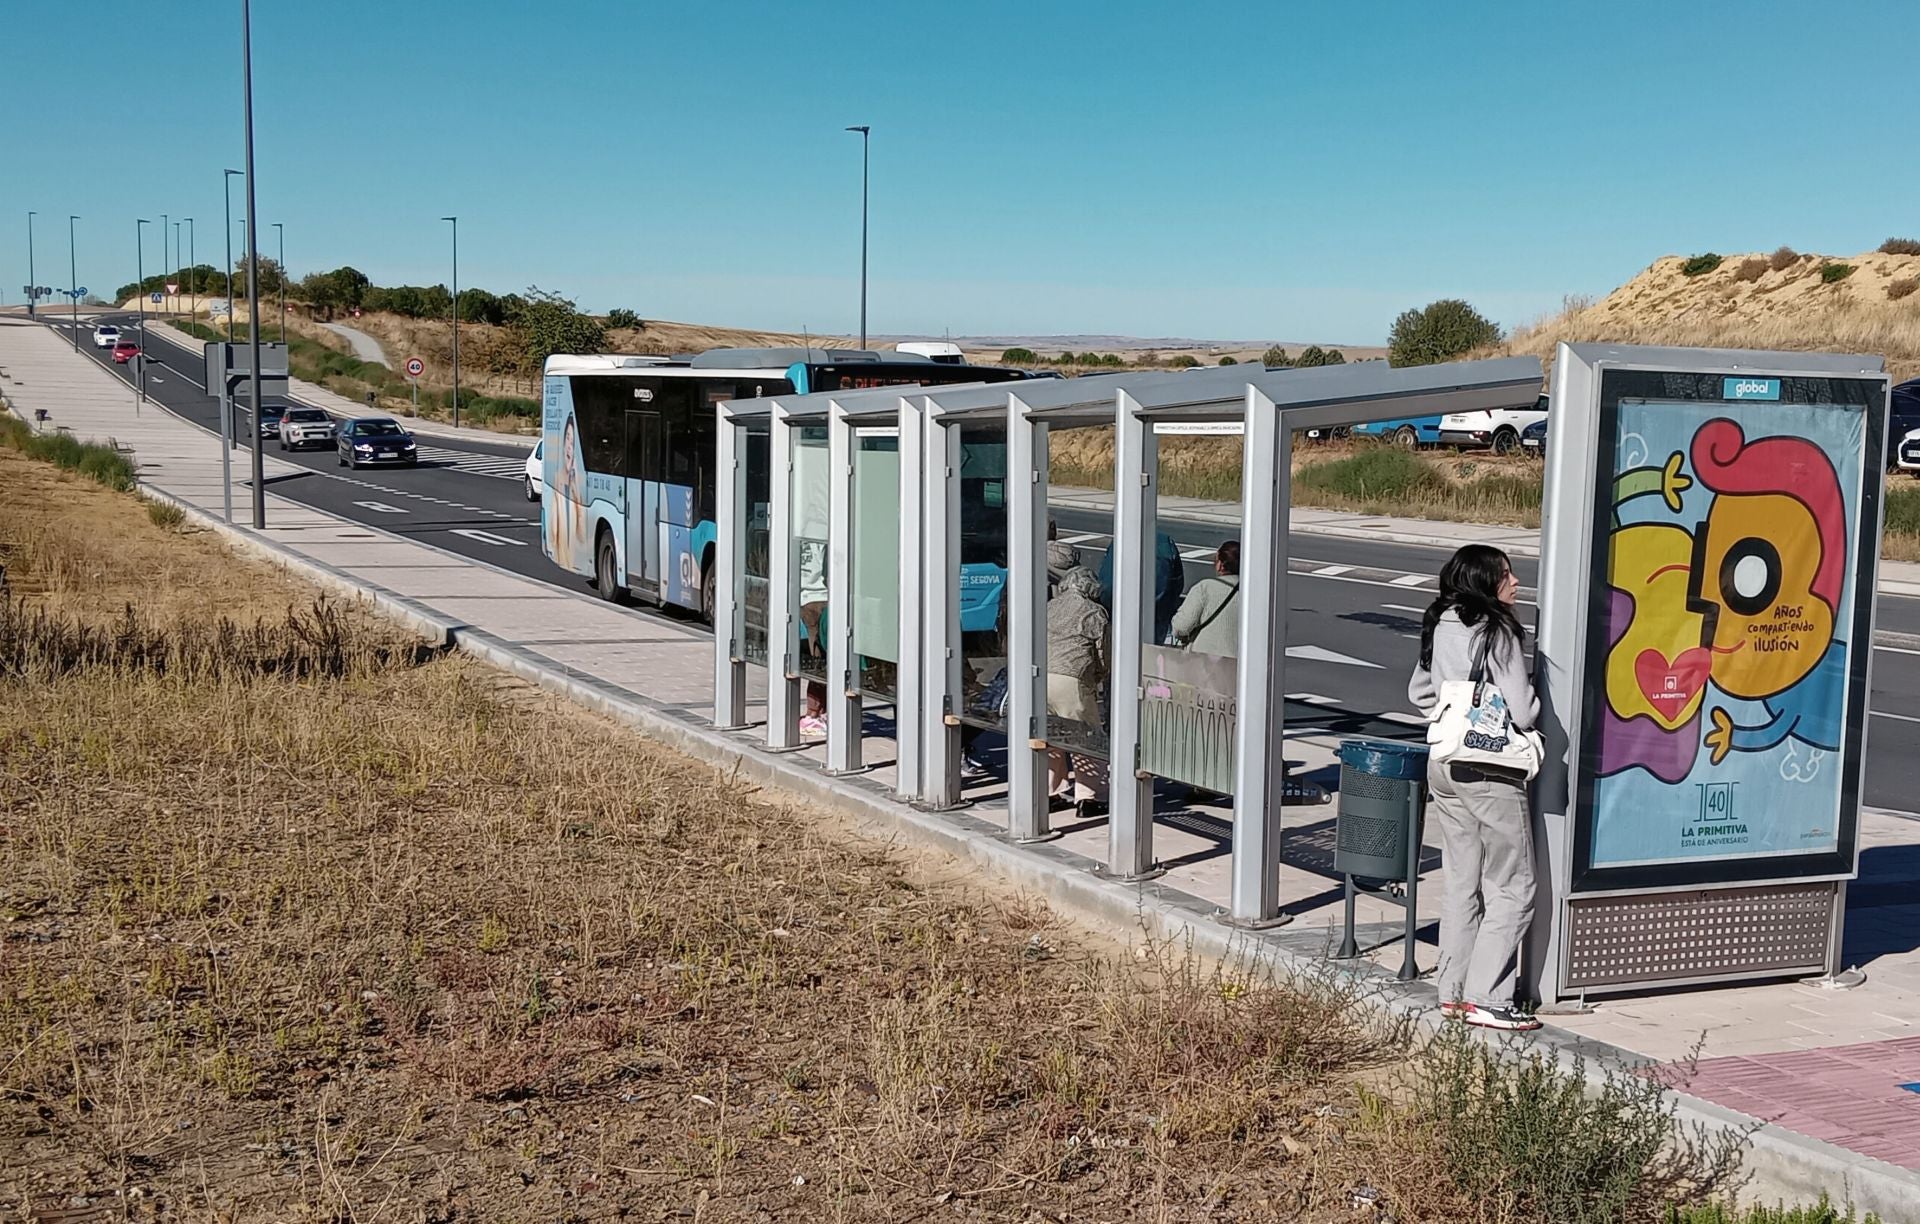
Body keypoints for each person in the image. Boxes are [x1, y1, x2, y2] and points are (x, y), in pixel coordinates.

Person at [1409, 544, 1540, 1032]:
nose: (1515, 582)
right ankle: (1487, 998)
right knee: (1514, 884)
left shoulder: (1440, 621)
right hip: (1489, 769)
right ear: (1486, 581)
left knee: (1462, 880)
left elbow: (1418, 692)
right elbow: (1521, 710)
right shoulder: (1497, 629)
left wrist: (1454, 714)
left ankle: (1453, 992)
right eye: (1506, 575)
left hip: (1444, 762)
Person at [1045, 566, 1111, 813]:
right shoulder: (1094, 611)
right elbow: (1103, 654)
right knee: (1087, 737)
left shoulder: (1050, 607)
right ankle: (1088, 798)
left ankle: (1051, 792)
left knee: (1051, 736)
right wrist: (1098, 678)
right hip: (1072, 680)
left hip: (1041, 677)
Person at [1095, 531, 1186, 644]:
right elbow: (1177, 583)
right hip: (1154, 618)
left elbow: (1105, 584)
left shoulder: (1121, 539)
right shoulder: (1165, 545)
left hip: (1117, 613)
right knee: (1149, 649)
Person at [1169, 540, 1240, 656]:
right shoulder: (1251, 595)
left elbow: (1181, 626)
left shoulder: (1204, 588)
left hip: (1204, 660)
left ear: (1220, 565)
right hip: (1238, 662)